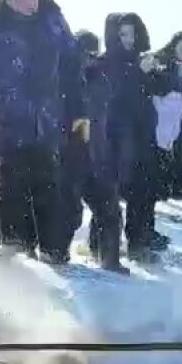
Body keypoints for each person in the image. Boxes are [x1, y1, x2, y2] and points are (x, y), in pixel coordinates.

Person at [0, 0, 86, 261]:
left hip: (47, 121)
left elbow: (72, 70)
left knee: (48, 186)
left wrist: (79, 112)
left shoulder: (54, 23)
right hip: (6, 123)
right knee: (13, 185)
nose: (28, 2)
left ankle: (52, 251)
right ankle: (10, 249)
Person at [95, 12, 168, 264]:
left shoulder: (142, 61)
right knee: (108, 197)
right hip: (113, 140)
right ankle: (102, 248)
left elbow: (164, 86)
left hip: (143, 136)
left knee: (144, 194)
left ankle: (140, 245)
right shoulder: (104, 63)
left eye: (133, 34)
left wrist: (157, 72)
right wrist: (137, 72)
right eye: (124, 34)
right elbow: (114, 92)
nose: (129, 40)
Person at [67, 30, 128, 273]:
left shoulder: (103, 80)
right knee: (67, 214)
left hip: (98, 157)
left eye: (93, 54)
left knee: (110, 209)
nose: (88, 59)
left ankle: (108, 259)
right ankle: (56, 260)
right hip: (67, 157)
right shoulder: (61, 79)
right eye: (84, 54)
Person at [153, 32, 182, 202]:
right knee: (163, 152)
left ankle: (176, 187)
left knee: (179, 151)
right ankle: (161, 187)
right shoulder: (164, 64)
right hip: (165, 116)